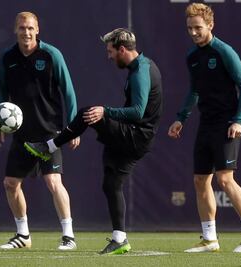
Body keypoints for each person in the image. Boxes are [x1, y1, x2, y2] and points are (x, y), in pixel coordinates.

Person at [25, 28, 163, 255]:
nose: (108, 56)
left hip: (136, 136)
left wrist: (105, 111)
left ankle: (48, 146)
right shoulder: (141, 66)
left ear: (122, 49)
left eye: (110, 52)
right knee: (111, 184)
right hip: (136, 136)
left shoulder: (141, 71)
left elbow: (138, 111)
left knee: (89, 113)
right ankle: (120, 239)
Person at [167, 3, 241, 253]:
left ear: (210, 25)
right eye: (190, 28)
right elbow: (194, 91)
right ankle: (210, 239)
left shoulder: (224, 51)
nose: (194, 32)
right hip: (206, 123)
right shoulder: (192, 57)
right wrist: (181, 118)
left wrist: (238, 120)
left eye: (198, 28)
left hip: (227, 123)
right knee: (200, 180)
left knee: (224, 179)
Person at [0, 11, 79, 250]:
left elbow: (68, 91)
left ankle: (68, 236)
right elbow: (2, 93)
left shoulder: (52, 55)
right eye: (22, 28)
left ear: (37, 30)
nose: (26, 32)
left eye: (30, 28)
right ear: (15, 30)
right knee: (10, 183)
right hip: (22, 135)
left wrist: (73, 127)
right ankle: (23, 235)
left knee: (53, 181)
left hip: (50, 133)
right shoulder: (8, 58)